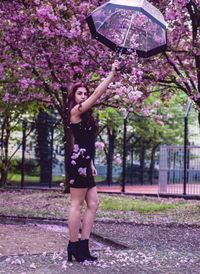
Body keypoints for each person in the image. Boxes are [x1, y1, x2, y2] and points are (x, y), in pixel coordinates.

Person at [66, 60, 120, 262]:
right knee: (76, 204)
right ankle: (73, 246)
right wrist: (112, 74)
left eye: (85, 93)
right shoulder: (75, 112)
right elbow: (98, 94)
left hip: (84, 163)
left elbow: (84, 142)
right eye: (80, 93)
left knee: (94, 204)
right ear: (74, 97)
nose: (84, 96)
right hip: (77, 164)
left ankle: (84, 246)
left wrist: (90, 163)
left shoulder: (87, 117)